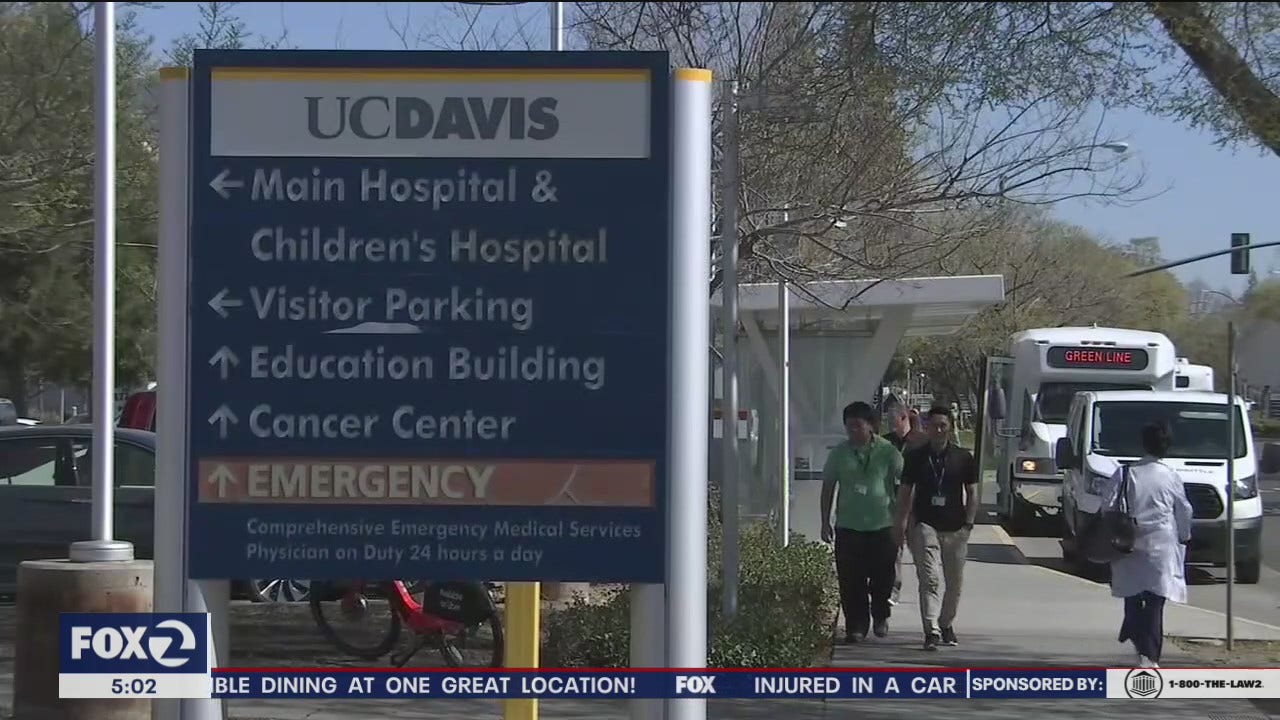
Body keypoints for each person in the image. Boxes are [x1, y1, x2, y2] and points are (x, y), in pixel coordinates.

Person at [1102, 422, 1192, 669]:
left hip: (1128, 543)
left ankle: (1134, 631)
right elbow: (1183, 510)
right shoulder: (1171, 476)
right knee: (1155, 601)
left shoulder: (1125, 473)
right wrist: (1184, 535)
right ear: (1167, 446)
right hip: (1161, 545)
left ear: (1143, 444)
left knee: (1132, 594)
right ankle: (1150, 655)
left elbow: (1107, 506)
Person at [894, 406, 978, 651]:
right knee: (929, 578)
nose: (938, 430)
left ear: (950, 427)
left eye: (943, 425)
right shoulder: (915, 456)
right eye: (934, 425)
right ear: (926, 427)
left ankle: (946, 623)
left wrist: (968, 524)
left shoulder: (963, 457)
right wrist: (902, 523)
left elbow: (972, 492)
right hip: (925, 524)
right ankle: (930, 630)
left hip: (955, 527)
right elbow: (905, 492)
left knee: (954, 582)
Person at [821, 400, 904, 643]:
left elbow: (906, 484)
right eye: (849, 426)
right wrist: (825, 521)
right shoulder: (839, 453)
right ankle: (855, 626)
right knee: (850, 580)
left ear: (870, 425)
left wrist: (903, 519)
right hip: (848, 526)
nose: (853, 431)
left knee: (883, 578)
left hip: (882, 525)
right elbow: (828, 487)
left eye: (858, 425)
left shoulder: (888, 451)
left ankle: (880, 614)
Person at [882, 405, 923, 605]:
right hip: (893, 503)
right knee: (893, 550)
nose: (890, 425)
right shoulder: (885, 443)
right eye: (888, 421)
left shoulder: (921, 442)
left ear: (904, 418)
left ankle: (927, 587)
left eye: (894, 421)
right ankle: (893, 589)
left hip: (916, 505)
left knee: (920, 551)